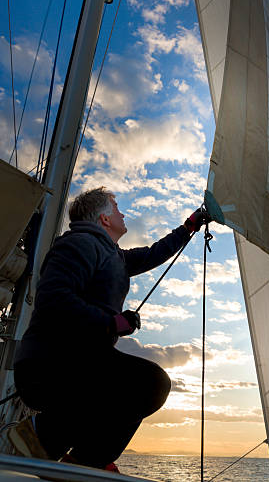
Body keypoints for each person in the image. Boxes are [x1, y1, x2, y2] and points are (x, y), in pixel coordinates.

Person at [10, 187, 208, 472]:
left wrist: (188, 227)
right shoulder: (78, 244)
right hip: (49, 365)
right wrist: (111, 323)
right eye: (116, 208)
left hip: (77, 365)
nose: (122, 213)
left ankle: (82, 461)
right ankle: (48, 439)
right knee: (149, 383)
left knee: (146, 386)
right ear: (104, 218)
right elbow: (53, 298)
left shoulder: (113, 255)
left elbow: (153, 254)